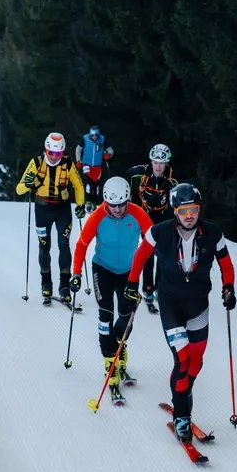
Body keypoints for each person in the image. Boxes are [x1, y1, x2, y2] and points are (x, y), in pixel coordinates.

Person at [125, 182, 236, 445]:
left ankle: (182, 393)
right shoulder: (159, 232)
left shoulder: (212, 233)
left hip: (198, 306)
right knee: (183, 361)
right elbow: (140, 257)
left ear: (199, 210)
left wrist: (229, 288)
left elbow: (226, 264)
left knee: (196, 363)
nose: (189, 216)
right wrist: (132, 284)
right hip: (171, 305)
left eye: (193, 210)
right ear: (175, 211)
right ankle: (182, 416)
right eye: (183, 210)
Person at [71, 176, 153, 402]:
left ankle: (119, 346)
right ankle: (110, 362)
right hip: (103, 269)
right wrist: (76, 273)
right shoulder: (98, 216)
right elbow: (81, 245)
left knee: (128, 315)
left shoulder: (137, 214)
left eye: (121, 204)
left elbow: (154, 238)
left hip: (129, 271)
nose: (117, 209)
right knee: (105, 313)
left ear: (128, 200)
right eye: (112, 205)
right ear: (106, 201)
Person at [16, 132, 85, 302]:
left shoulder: (68, 164)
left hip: (62, 209)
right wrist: (28, 184)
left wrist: (81, 204)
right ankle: (46, 282)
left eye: (58, 154)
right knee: (44, 246)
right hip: (42, 209)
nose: (54, 157)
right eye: (51, 153)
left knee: (64, 244)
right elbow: (19, 189)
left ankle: (64, 285)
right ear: (45, 150)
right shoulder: (36, 163)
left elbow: (78, 185)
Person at [125, 143, 177, 310]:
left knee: (162, 253)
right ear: (151, 161)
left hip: (163, 219)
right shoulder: (138, 173)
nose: (158, 167)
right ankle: (148, 288)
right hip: (144, 216)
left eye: (162, 163)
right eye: (155, 162)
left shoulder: (172, 180)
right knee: (148, 251)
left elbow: (176, 203)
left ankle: (160, 288)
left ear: (166, 163)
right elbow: (126, 180)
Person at [75, 124, 114, 214]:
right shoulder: (85, 139)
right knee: (89, 184)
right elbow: (78, 149)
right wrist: (78, 160)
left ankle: (94, 202)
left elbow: (110, 150)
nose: (94, 137)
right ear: (90, 134)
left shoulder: (102, 139)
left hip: (97, 166)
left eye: (96, 135)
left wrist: (108, 154)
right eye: (92, 135)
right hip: (86, 165)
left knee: (96, 185)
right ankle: (88, 202)